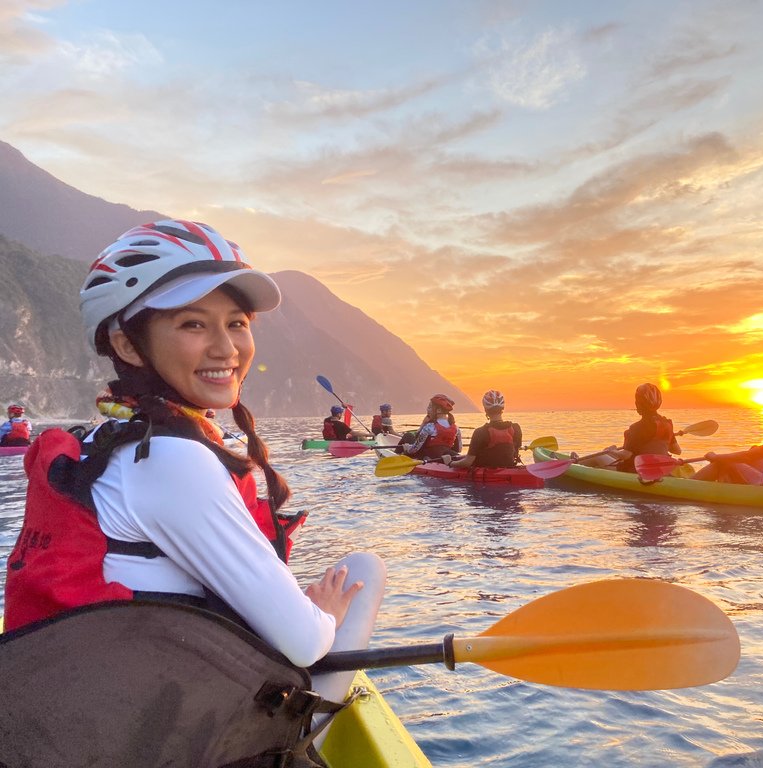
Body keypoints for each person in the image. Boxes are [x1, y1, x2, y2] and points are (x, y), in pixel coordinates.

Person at [3, 219, 386, 719]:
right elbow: (304, 643)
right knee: (363, 571)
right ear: (126, 345)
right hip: (152, 732)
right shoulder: (171, 458)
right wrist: (324, 617)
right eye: (193, 324)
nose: (226, 348)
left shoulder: (106, 438)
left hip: (90, 707)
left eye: (236, 322)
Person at [576, 383, 681, 472]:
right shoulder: (667, 424)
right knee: (608, 454)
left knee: (599, 456)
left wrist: (611, 451)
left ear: (639, 404)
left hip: (635, 471)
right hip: (659, 470)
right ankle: (576, 461)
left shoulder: (637, 428)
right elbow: (677, 451)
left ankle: (575, 465)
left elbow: (626, 455)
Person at [447, 390, 523, 469]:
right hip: (508, 470)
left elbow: (467, 462)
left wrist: (450, 463)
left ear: (485, 410)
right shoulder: (516, 428)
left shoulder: (480, 432)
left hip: (485, 475)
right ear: (502, 408)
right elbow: (514, 453)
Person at [394, 393, 462, 460]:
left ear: (438, 410)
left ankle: (394, 455)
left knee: (408, 435)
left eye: (430, 407)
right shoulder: (456, 429)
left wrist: (407, 448)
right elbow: (458, 449)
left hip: (426, 457)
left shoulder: (430, 427)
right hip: (443, 457)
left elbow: (415, 449)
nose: (428, 410)